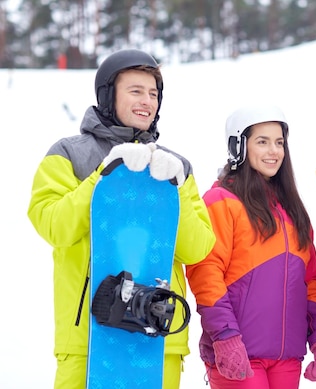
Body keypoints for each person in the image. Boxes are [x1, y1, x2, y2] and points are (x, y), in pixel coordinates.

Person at [27, 48, 216, 389]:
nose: (147, 101)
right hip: (88, 337)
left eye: (154, 93)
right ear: (107, 95)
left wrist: (174, 190)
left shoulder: (176, 166)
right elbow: (54, 226)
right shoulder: (68, 154)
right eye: (136, 90)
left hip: (158, 335)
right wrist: (103, 178)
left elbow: (198, 248)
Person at [186, 104, 316, 388]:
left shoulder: (292, 210)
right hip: (239, 352)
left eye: (279, 143)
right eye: (262, 142)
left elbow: (311, 281)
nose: (274, 151)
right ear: (238, 146)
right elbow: (206, 274)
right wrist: (225, 336)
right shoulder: (220, 200)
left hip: (287, 357)